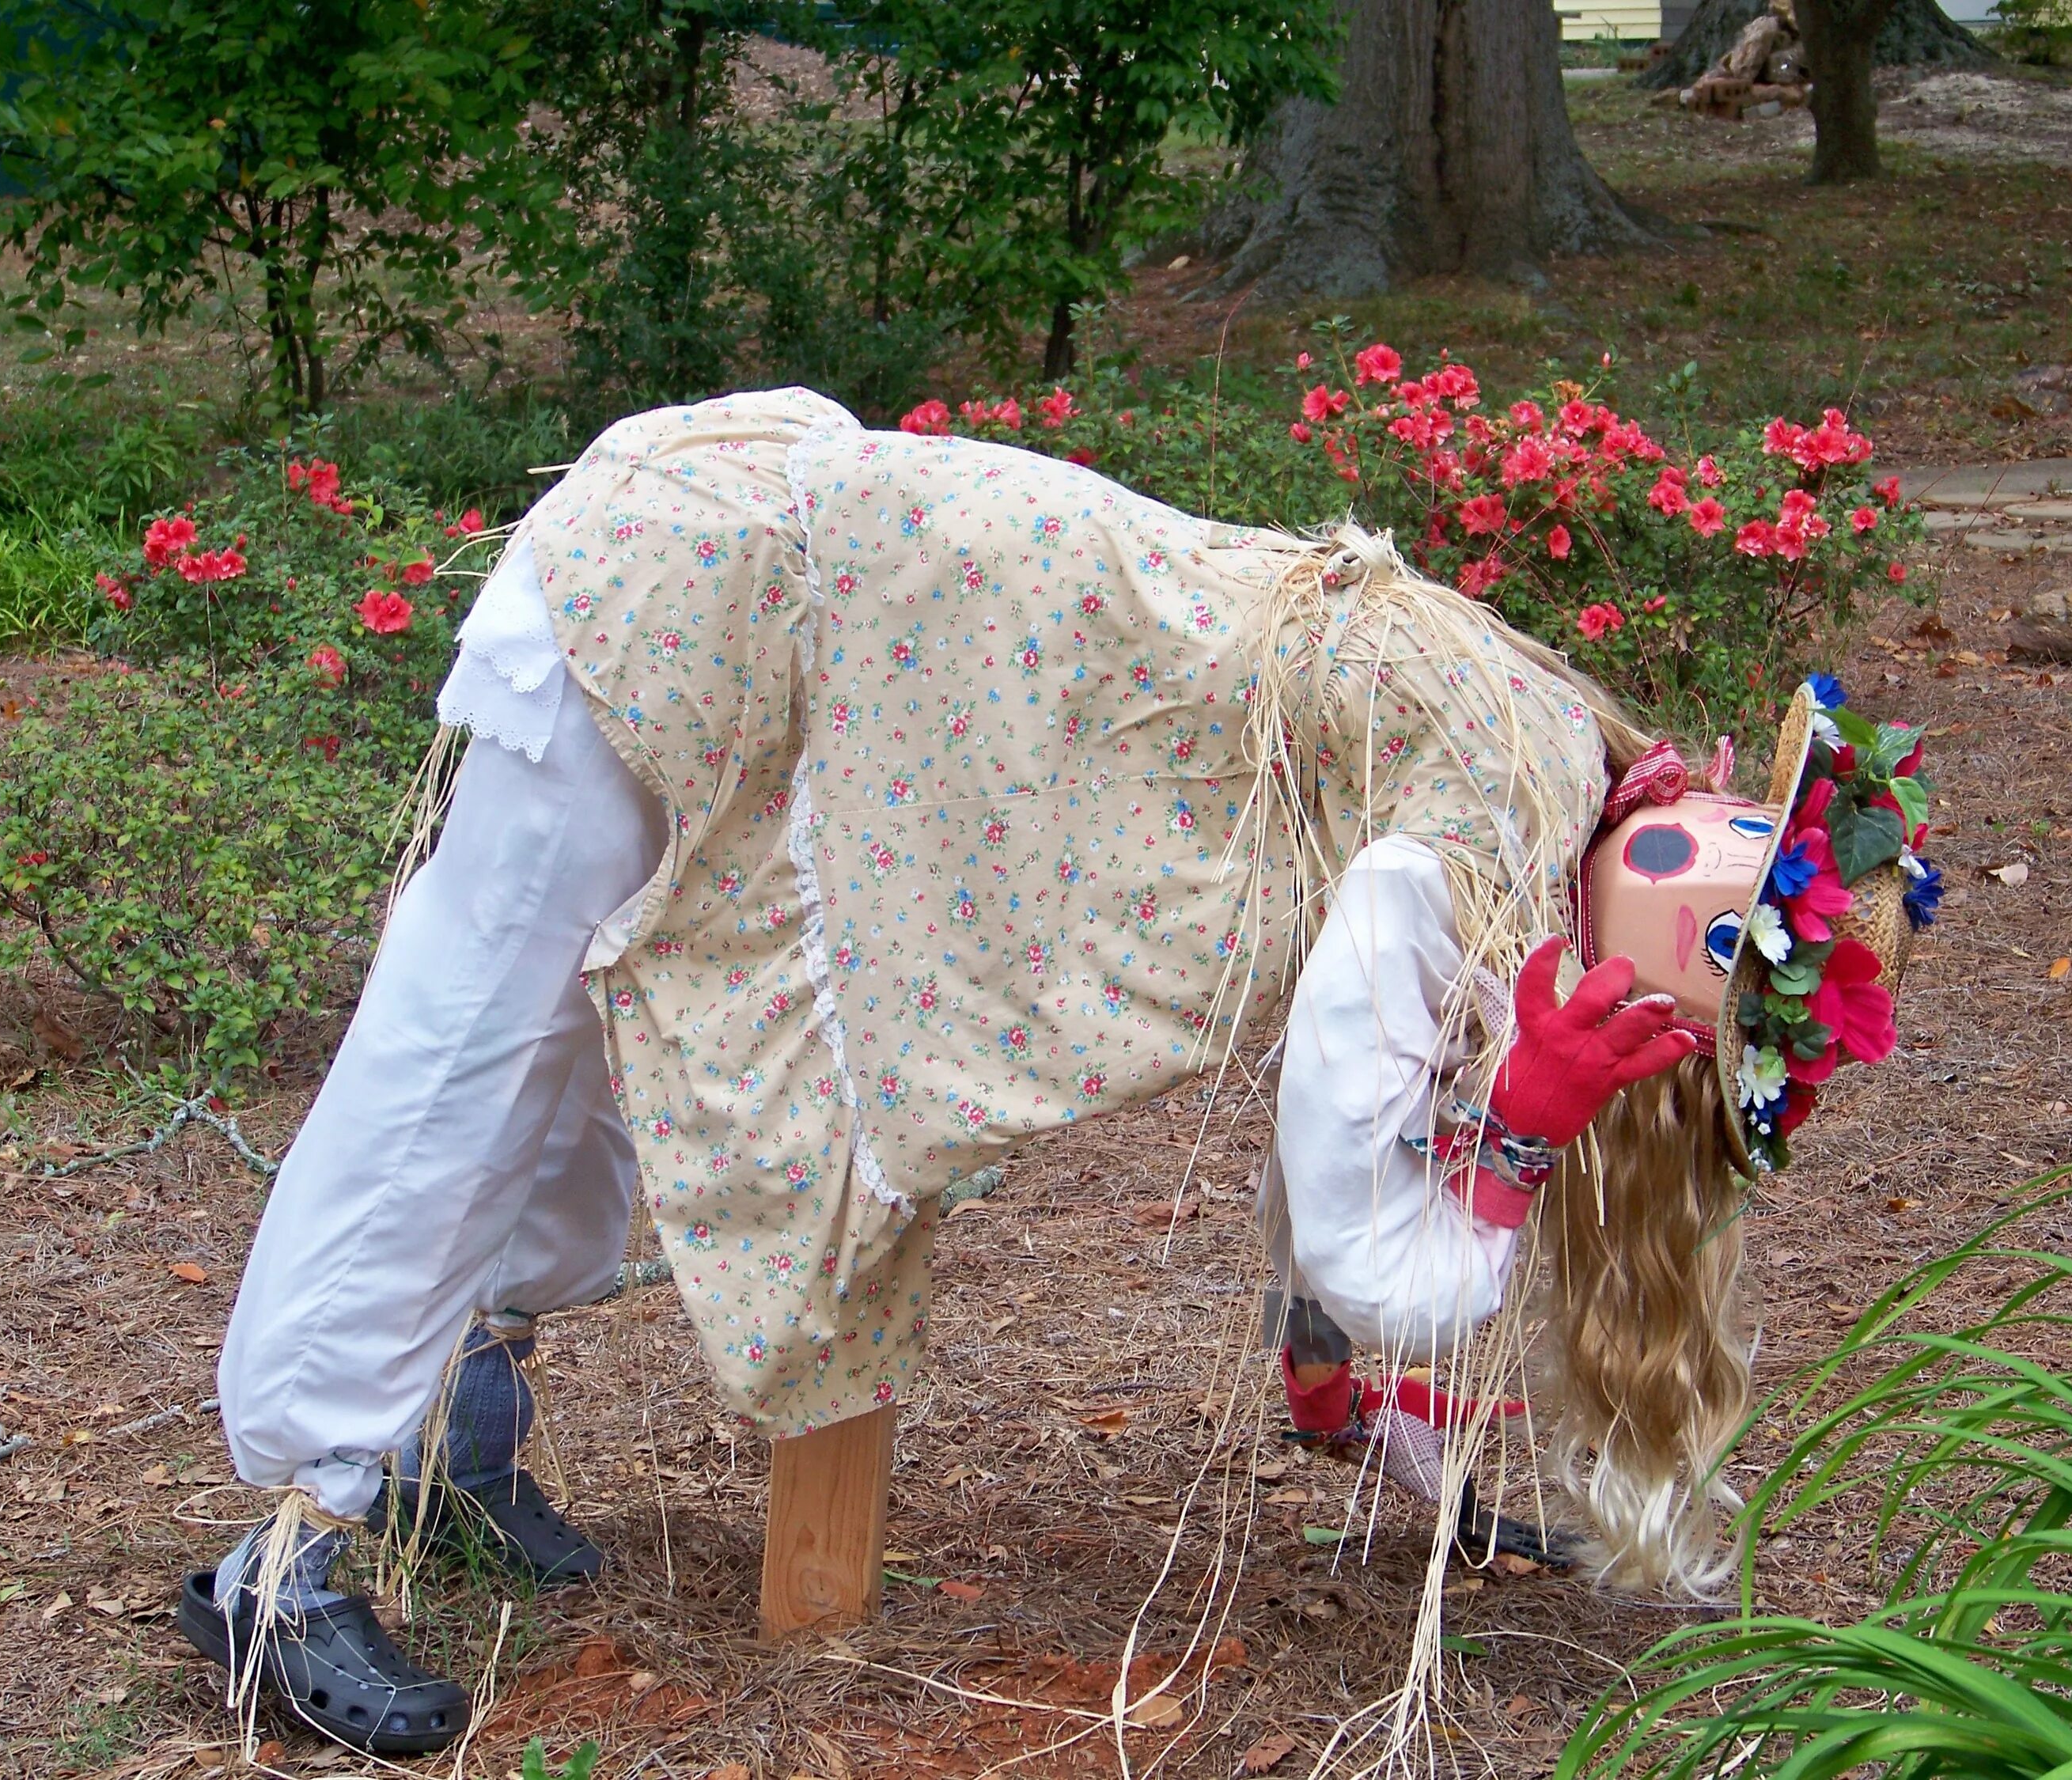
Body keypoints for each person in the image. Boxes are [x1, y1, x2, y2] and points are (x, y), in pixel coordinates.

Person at [180, 389, 1934, 1753]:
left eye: (1738, 907)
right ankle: (281, 1562)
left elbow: (1345, 1107)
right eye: (1751, 847)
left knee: (549, 1043)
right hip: (720, 591)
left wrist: (1357, 1402)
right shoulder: (1478, 841)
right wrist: (1519, 1143)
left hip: (776, 573)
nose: (1718, 863)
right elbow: (1360, 1221)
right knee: (467, 1044)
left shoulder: (1539, 766)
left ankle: (450, 1431)